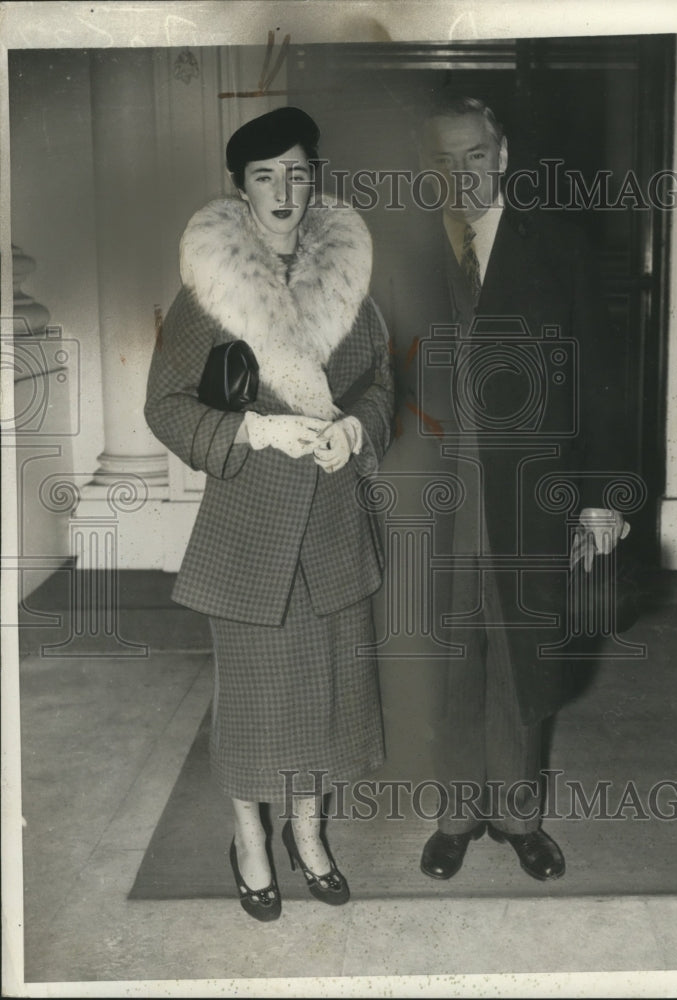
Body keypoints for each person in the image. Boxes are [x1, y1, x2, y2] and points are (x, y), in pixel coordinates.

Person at [145, 107, 394, 921]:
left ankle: (308, 831)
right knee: (255, 707)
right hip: (249, 533)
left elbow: (383, 382)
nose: (285, 191)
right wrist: (250, 427)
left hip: (331, 529)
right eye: (265, 176)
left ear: (313, 177)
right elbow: (166, 406)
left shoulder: (349, 278)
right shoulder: (211, 292)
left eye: (297, 172)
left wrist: (358, 428)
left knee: (328, 698)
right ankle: (249, 838)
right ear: (240, 187)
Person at [415, 95, 632, 882]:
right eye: (444, 158)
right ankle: (453, 817)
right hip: (435, 498)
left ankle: (518, 818)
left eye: (474, 154)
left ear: (501, 155)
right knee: (445, 655)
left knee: (517, 657)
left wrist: (603, 496)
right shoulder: (407, 255)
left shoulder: (560, 250)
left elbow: (604, 382)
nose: (461, 171)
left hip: (530, 493)